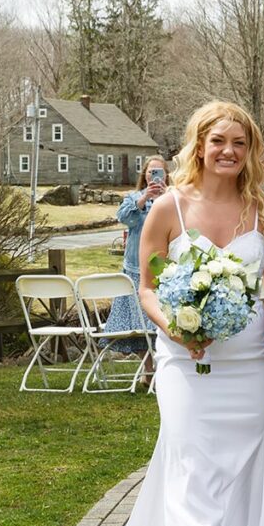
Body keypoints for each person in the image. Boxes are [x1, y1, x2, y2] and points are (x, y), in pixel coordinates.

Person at [89, 101, 264, 526]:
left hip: (251, 361)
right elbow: (145, 285)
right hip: (183, 360)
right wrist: (173, 326)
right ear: (199, 144)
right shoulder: (169, 207)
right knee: (192, 464)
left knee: (235, 471)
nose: (229, 152)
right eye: (218, 141)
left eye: (240, 142)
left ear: (252, 149)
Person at [103, 156, 167, 377]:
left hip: (165, 268)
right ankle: (147, 371)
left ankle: (163, 367)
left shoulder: (172, 199)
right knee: (139, 322)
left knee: (160, 320)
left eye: (159, 172)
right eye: (151, 172)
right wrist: (144, 199)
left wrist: (165, 197)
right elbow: (124, 218)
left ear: (166, 175)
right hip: (135, 267)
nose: (155, 176)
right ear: (145, 175)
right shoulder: (134, 198)